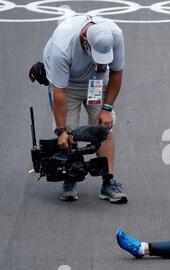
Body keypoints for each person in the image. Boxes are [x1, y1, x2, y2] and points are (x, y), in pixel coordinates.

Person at [41, 15, 127, 203]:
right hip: (67, 85)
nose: (101, 61)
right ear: (85, 41)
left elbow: (117, 72)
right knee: (68, 132)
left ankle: (108, 182)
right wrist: (61, 130)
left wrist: (107, 108)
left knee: (104, 128)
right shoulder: (61, 47)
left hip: (96, 82)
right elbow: (60, 92)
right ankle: (70, 178)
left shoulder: (115, 35)